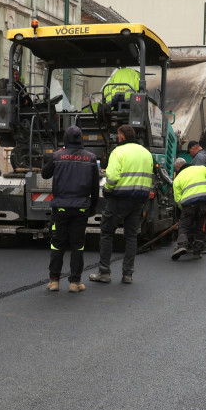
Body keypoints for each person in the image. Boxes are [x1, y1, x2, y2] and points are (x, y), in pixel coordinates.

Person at [90, 124, 153, 284]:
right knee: (131, 236)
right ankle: (127, 274)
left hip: (119, 198)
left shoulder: (119, 151)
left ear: (122, 136)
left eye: (118, 136)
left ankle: (104, 272)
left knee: (106, 233)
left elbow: (112, 176)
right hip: (139, 199)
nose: (117, 139)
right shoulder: (146, 153)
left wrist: (107, 190)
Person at [42, 125, 100, 292]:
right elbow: (95, 187)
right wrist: (93, 207)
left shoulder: (57, 156)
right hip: (81, 209)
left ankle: (54, 281)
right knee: (78, 245)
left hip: (60, 208)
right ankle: (75, 282)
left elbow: (45, 174)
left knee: (57, 244)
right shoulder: (90, 158)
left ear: (65, 139)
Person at [170, 155, 206, 261]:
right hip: (203, 203)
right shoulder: (200, 168)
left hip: (188, 205)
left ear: (178, 168)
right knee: (201, 227)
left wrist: (182, 208)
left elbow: (177, 198)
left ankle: (182, 245)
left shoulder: (177, 179)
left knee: (184, 226)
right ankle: (197, 252)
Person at [180, 140, 206, 255]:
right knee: (203, 222)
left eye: (190, 152)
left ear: (193, 148)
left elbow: (195, 176)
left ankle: (195, 246)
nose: (191, 154)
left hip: (197, 194)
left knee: (195, 222)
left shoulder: (199, 157)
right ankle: (203, 247)